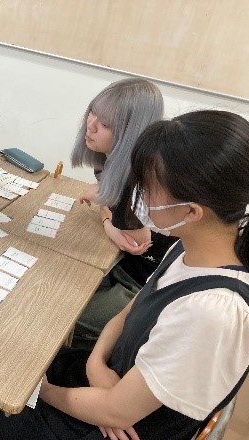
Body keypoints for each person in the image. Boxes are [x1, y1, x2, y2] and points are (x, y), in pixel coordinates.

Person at [0, 109, 249, 440]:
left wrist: (41, 391)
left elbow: (116, 414)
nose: (137, 194)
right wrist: (96, 365)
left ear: (192, 211)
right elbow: (128, 313)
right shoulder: (190, 248)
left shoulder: (212, 311)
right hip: (109, 380)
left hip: (110, 426)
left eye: (148, 187)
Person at [70, 78, 177, 348]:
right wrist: (108, 219)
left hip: (142, 285)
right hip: (120, 265)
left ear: (131, 133)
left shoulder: (141, 177)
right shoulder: (110, 161)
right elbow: (108, 206)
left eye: (106, 124)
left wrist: (107, 212)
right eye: (92, 112)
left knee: (61, 311)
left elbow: (137, 241)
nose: (91, 125)